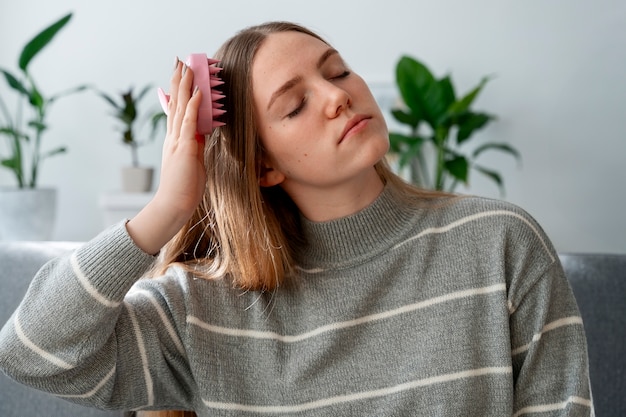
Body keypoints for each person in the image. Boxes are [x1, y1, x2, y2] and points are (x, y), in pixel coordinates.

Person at [0, 21, 593, 417]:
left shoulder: (499, 242)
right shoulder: (204, 308)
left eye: (336, 71)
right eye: (295, 104)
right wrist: (165, 211)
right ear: (263, 168)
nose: (339, 96)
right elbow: (33, 353)